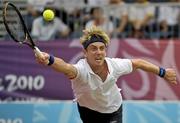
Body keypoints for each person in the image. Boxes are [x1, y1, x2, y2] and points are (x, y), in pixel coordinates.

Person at [35, 26, 177, 123]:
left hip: (113, 109)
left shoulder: (114, 65)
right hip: (88, 111)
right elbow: (65, 67)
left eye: (102, 48)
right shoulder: (81, 70)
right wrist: (50, 60)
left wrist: (163, 72)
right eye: (94, 49)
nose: (99, 52)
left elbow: (138, 63)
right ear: (85, 53)